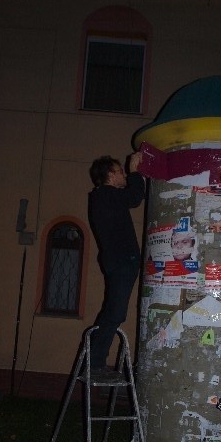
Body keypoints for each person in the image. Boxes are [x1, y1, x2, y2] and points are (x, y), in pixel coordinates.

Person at [88, 152, 145, 372]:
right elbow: (135, 197)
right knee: (115, 312)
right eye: (120, 171)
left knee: (114, 310)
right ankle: (95, 362)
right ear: (111, 175)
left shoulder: (104, 196)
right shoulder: (105, 195)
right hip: (121, 261)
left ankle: (95, 360)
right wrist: (135, 171)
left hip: (120, 260)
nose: (123, 174)